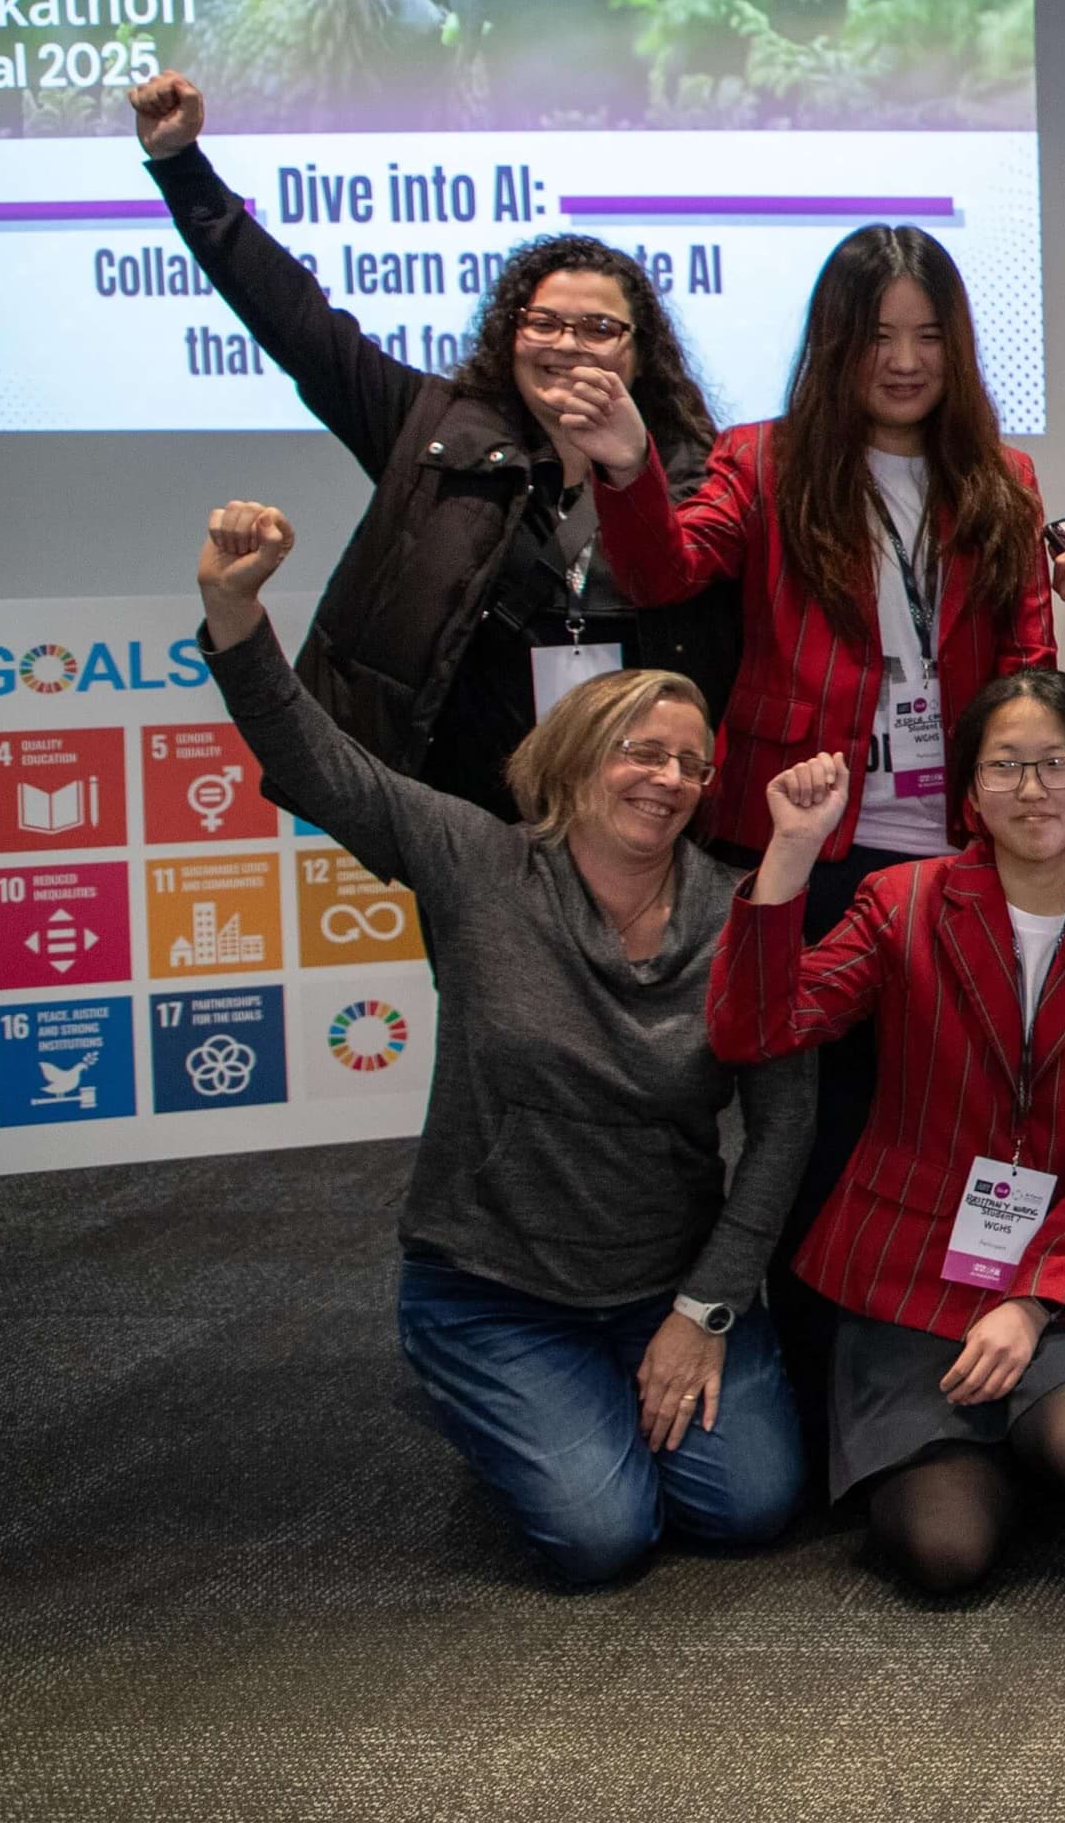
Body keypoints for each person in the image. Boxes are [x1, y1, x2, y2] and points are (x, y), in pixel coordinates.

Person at [188, 499, 809, 1586]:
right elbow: (319, 760)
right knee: (601, 1538)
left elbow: (782, 1128)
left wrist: (704, 1310)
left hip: (666, 1281)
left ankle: (593, 1408)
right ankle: (501, 1402)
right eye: (639, 752)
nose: (666, 778)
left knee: (749, 1508)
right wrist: (234, 612)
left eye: (691, 765)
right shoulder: (478, 862)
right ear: (577, 755)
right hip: (494, 1288)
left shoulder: (740, 914)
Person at [570, 222, 1065, 1414]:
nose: (903, 362)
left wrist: (1027, 815)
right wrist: (626, 464)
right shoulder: (768, 459)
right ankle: (803, 1382)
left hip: (950, 858)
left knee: (931, 1117)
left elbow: (1021, 652)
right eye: (877, 337)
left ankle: (921, 1359)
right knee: (806, 1128)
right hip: (803, 850)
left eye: (926, 337)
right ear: (836, 344)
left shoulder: (997, 476)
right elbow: (664, 571)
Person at [706, 668, 1065, 1594]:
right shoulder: (901, 903)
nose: (1033, 791)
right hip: (914, 1257)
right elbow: (755, 1029)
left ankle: (1030, 1411)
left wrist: (1034, 1302)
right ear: (969, 788)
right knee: (945, 1553)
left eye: (1057, 765)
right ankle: (987, 1440)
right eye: (1005, 767)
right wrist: (789, 854)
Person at [127, 73, 737, 822]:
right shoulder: (432, 429)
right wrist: (182, 166)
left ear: (642, 355)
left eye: (600, 329)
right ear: (509, 336)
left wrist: (630, 464)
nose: (568, 346)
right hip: (471, 813)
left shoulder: (699, 470)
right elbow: (295, 320)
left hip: (644, 809)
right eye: (543, 322)